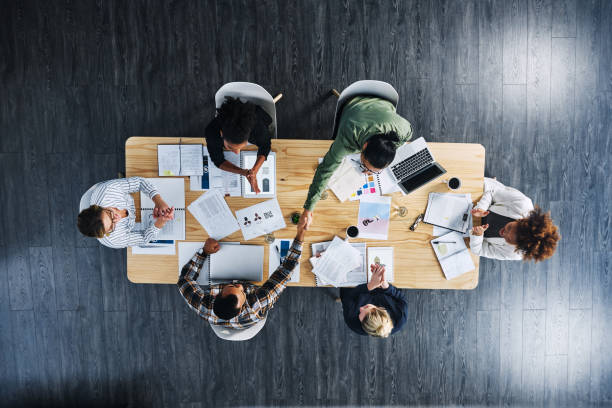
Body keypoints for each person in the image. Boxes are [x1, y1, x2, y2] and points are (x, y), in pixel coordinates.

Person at [299, 96, 413, 229]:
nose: (367, 172)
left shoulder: (401, 130)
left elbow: (409, 133)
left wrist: (390, 148)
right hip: (354, 105)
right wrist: (308, 209)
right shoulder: (346, 139)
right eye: (365, 167)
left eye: (373, 171)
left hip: (383, 102)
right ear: (364, 146)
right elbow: (325, 170)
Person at [177, 224, 305, 328]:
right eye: (242, 292)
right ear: (241, 309)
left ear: (215, 296)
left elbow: (184, 280)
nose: (239, 285)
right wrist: (300, 234)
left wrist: (204, 252)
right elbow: (285, 272)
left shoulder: (203, 307)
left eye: (231, 286)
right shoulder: (258, 305)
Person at [469, 177, 560, 261]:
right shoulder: (523, 203)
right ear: (522, 221)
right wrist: (481, 208)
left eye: (509, 239)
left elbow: (479, 250)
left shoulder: (514, 254)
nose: (503, 233)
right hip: (479, 196)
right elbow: (492, 192)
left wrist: (477, 235)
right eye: (509, 227)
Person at [77, 177, 174, 249]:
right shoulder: (112, 240)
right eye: (111, 226)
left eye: (110, 214)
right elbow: (143, 238)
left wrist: (158, 200)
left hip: (131, 198)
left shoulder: (107, 190)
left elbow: (140, 182)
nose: (118, 218)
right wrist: (159, 224)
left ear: (99, 207)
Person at [204, 96, 273, 194]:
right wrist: (244, 172)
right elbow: (218, 160)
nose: (237, 153)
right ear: (221, 134)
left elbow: (265, 145)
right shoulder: (211, 131)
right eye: (230, 147)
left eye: (242, 146)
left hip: (257, 115)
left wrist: (254, 170)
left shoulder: (257, 126)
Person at [340, 263, 408, 338]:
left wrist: (369, 286)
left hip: (357, 283)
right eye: (366, 307)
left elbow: (347, 296)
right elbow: (401, 298)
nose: (361, 308)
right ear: (381, 308)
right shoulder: (400, 318)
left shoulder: (352, 322)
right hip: (385, 283)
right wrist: (387, 287)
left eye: (359, 314)